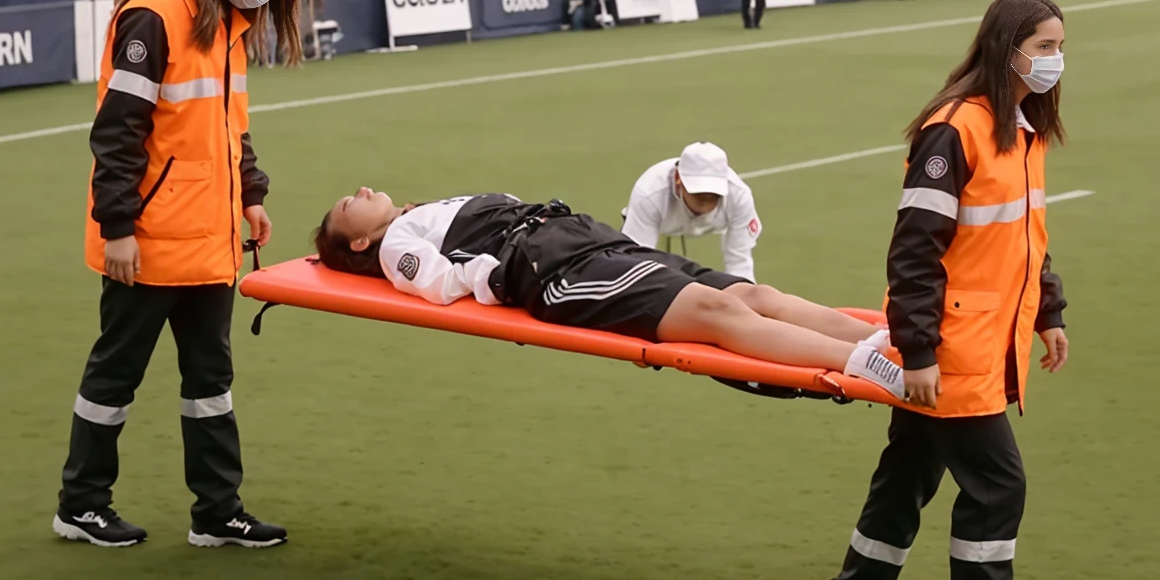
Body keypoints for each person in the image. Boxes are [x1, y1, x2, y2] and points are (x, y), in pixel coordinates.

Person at [807, 0, 1070, 580]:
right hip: (954, 350)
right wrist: (918, 353)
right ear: (1006, 47)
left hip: (984, 343)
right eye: (1044, 47)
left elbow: (1024, 237)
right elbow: (915, 251)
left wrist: (1050, 309)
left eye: (1059, 47)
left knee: (906, 482)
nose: (1056, 61)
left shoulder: (1021, 128)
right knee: (997, 486)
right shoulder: (957, 129)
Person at [57, 0, 303, 549]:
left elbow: (229, 125)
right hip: (149, 241)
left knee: (210, 385)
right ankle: (80, 504)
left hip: (209, 241)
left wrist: (251, 193)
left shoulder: (227, 21)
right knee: (115, 377)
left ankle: (217, 511)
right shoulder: (156, 13)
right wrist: (117, 229)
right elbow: (118, 132)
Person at [314, 190, 907, 399]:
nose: (361, 189)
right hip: (552, 271)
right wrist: (493, 278)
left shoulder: (418, 213)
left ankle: (886, 338)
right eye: (350, 204)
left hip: (577, 240)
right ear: (361, 240)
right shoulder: (396, 245)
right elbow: (441, 284)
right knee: (718, 312)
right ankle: (865, 364)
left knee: (752, 293)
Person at [622, 141, 762, 281]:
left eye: (713, 195)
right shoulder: (649, 194)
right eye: (698, 194)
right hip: (660, 218)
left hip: (711, 223)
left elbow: (739, 263)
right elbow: (637, 265)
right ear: (678, 179)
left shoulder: (739, 197)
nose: (705, 203)